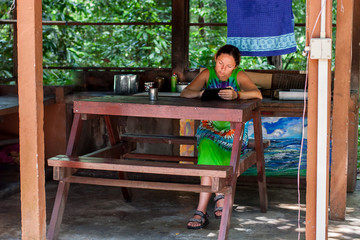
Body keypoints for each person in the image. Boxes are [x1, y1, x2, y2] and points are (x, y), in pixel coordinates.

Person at [180, 44, 262, 229]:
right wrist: (201, 93)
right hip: (209, 127)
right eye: (219, 63)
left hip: (233, 130)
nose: (222, 69)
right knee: (207, 148)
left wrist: (237, 94)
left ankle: (213, 201)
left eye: (228, 66)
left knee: (225, 154)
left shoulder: (239, 75)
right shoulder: (207, 74)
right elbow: (185, 93)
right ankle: (205, 206)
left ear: (235, 66)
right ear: (215, 59)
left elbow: (257, 94)